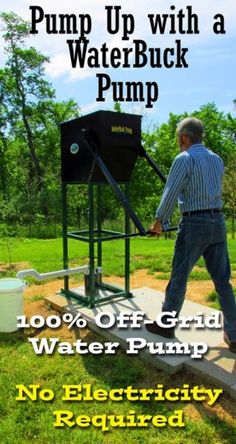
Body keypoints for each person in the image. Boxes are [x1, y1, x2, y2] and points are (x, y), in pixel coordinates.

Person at [146, 117, 236, 353]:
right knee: (223, 282)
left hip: (194, 223)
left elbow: (171, 191)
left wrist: (159, 221)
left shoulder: (184, 159)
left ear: (185, 137)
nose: (178, 142)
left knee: (179, 277)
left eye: (178, 138)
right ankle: (234, 335)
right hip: (218, 221)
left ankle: (166, 325)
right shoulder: (217, 159)